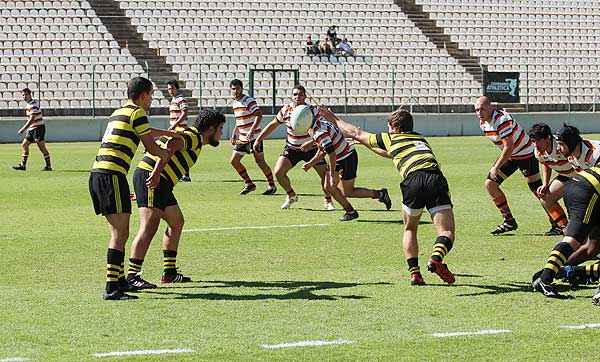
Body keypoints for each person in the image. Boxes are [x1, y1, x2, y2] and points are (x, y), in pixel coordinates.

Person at [321, 107, 456, 286]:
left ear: (394, 127)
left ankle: (415, 273)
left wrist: (334, 119)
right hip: (434, 178)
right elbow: (391, 154)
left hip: (412, 182)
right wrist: (369, 145)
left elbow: (356, 132)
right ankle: (436, 258)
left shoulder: (390, 138)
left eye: (389, 126)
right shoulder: (420, 139)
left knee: (410, 229)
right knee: (446, 231)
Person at [89, 76, 177, 300]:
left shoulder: (120, 112)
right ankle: (111, 287)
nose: (151, 101)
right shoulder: (138, 113)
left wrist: (166, 134)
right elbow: (149, 145)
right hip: (112, 174)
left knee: (120, 232)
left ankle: (119, 280)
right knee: (119, 234)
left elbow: (144, 132)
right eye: (151, 96)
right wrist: (165, 153)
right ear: (144, 94)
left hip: (99, 173)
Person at [126, 109, 226, 289]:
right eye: (220, 128)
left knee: (177, 222)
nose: (221, 133)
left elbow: (162, 140)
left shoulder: (190, 134)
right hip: (155, 177)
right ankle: (133, 276)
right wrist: (155, 173)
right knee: (149, 226)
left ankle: (169, 273)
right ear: (210, 129)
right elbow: (172, 145)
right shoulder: (194, 136)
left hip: (158, 182)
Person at [475, 96, 557, 235]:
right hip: (511, 156)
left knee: (537, 190)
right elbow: (506, 148)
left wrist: (496, 167)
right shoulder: (483, 123)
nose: (479, 112)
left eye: (482, 109)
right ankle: (509, 221)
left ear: (491, 107)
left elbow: (509, 146)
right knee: (490, 184)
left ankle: (557, 223)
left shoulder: (502, 120)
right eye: (476, 110)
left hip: (526, 154)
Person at [293, 106, 391, 220]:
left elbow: (330, 153)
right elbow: (323, 148)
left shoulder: (319, 133)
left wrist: (332, 171)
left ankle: (356, 208)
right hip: (342, 156)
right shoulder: (318, 124)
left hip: (346, 158)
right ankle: (375, 197)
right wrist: (311, 160)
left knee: (339, 189)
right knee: (336, 188)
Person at [253, 85, 334, 210]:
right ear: (291, 96)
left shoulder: (313, 111)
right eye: (295, 94)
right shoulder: (286, 110)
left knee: (324, 175)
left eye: (300, 94)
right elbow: (273, 124)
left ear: (305, 96)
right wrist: (259, 139)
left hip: (311, 148)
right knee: (279, 172)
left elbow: (323, 130)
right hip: (292, 148)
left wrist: (312, 142)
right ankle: (291, 195)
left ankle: (328, 200)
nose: (297, 97)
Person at [229, 79, 277, 195]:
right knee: (234, 161)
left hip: (254, 137)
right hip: (242, 138)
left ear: (242, 88)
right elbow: (239, 120)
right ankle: (249, 184)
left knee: (260, 161)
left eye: (238, 88)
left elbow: (259, 115)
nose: (236, 91)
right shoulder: (235, 103)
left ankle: (271, 185)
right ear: (230, 90)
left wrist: (251, 130)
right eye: (233, 89)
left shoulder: (248, 101)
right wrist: (234, 133)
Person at [528, 123, 573, 235]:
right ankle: (563, 227)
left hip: (581, 175)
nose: (535, 144)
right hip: (565, 176)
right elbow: (545, 163)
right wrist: (545, 184)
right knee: (545, 197)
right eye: (533, 141)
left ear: (548, 138)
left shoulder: (562, 146)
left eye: (538, 140)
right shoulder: (538, 152)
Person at [12, 88, 52, 171]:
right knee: (24, 144)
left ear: (30, 95)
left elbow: (32, 119)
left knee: (41, 147)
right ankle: (23, 165)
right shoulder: (29, 105)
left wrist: (23, 129)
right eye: (23, 95)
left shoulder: (33, 105)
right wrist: (29, 129)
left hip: (38, 128)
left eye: (26, 94)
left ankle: (48, 166)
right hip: (32, 128)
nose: (24, 96)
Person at [166, 79, 191, 182]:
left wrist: (175, 124)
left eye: (172, 88)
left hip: (180, 129)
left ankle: (183, 175)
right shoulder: (173, 100)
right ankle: (184, 175)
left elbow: (184, 113)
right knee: (177, 152)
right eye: (169, 89)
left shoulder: (180, 99)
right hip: (175, 129)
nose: (170, 90)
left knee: (174, 151)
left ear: (177, 88)